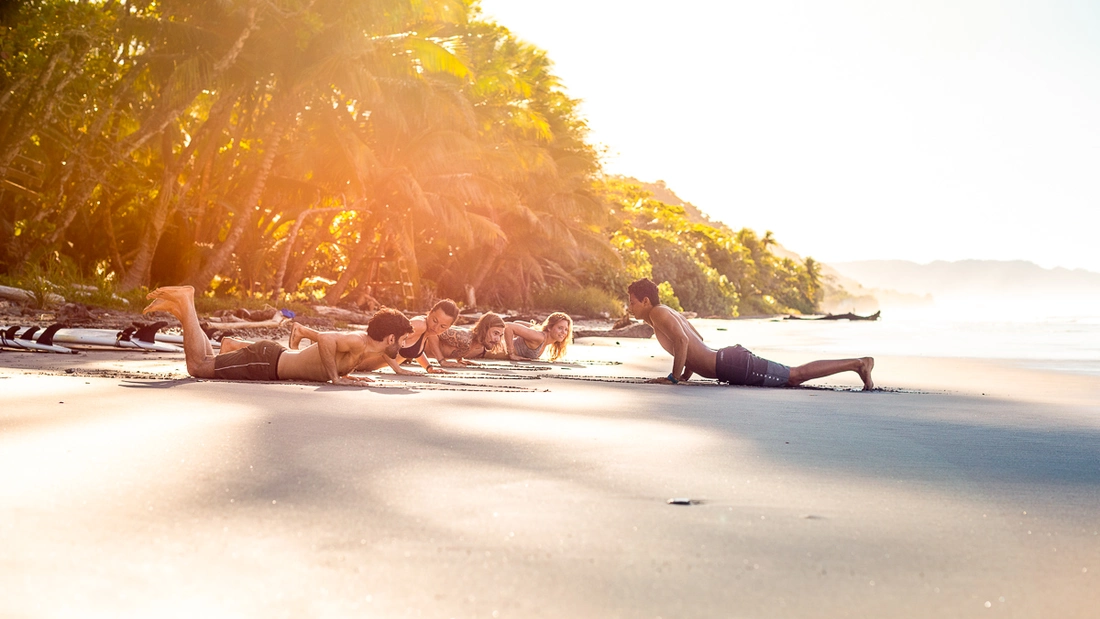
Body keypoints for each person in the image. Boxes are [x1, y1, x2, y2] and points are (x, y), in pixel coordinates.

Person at [626, 278, 875, 390]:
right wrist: (686, 375)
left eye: (633, 302)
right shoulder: (665, 312)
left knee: (794, 376)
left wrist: (674, 378)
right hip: (729, 361)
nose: (630, 307)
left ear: (646, 300)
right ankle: (856, 364)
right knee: (793, 376)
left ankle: (858, 363)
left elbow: (683, 341)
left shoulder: (658, 313)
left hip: (732, 365)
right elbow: (695, 342)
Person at [143, 286, 412, 385]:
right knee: (198, 367)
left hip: (268, 359)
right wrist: (334, 378)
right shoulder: (358, 341)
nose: (403, 347)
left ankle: (183, 310)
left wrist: (345, 375)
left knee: (207, 358)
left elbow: (330, 356)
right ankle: (186, 302)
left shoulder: (364, 348)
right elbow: (327, 340)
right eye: (402, 341)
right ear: (390, 339)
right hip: (266, 363)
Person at [288, 299, 459, 376]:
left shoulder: (426, 332)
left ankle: (303, 332)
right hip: (363, 360)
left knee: (336, 344)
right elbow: (389, 341)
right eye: (435, 320)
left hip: (366, 362)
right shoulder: (420, 325)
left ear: (449, 327)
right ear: (429, 313)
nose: (436, 327)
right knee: (339, 343)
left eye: (443, 326)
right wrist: (398, 370)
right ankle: (303, 332)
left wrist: (428, 368)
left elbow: (413, 350)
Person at [430, 312, 506, 367]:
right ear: (484, 329)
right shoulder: (465, 338)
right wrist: (442, 361)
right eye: (495, 333)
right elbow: (431, 333)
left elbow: (454, 346)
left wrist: (460, 358)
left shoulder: (474, 343)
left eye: (500, 335)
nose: (498, 340)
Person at [504, 312, 573, 362]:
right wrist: (511, 354)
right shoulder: (540, 337)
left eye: (566, 329)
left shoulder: (541, 336)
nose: (564, 332)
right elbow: (508, 326)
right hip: (494, 351)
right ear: (549, 328)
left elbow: (517, 323)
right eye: (560, 328)